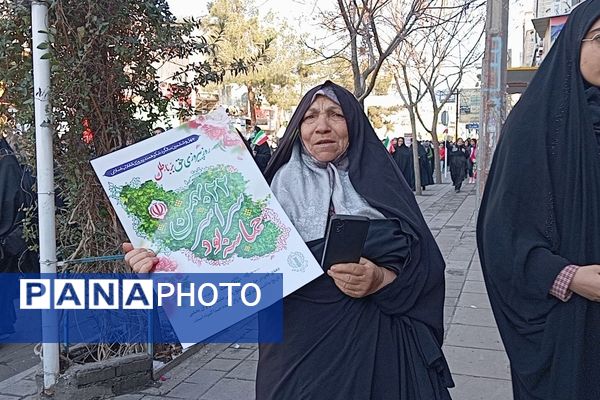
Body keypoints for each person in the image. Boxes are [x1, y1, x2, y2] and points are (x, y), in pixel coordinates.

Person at [124, 81, 453, 399]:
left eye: (335, 114)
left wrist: (381, 279)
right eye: (310, 117)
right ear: (298, 127)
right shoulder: (262, 197)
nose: (322, 126)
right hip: (296, 353)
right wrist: (159, 264)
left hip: (379, 352)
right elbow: (221, 263)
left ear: (354, 123)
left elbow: (425, 265)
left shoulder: (385, 186)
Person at [477, 2, 600, 399]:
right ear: (573, 47)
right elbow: (501, 237)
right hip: (571, 327)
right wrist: (568, 277)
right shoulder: (536, 127)